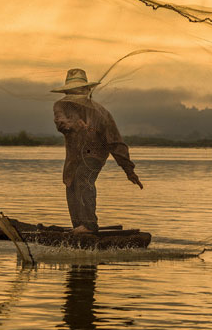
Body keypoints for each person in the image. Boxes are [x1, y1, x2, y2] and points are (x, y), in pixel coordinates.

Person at [52, 68, 143, 233]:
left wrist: (129, 170)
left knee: (83, 178)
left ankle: (89, 225)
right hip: (74, 156)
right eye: (72, 91)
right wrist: (75, 124)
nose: (75, 95)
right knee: (70, 184)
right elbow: (61, 123)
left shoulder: (101, 113)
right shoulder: (61, 105)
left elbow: (116, 143)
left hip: (95, 154)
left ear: (87, 91)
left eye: (78, 91)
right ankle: (79, 227)